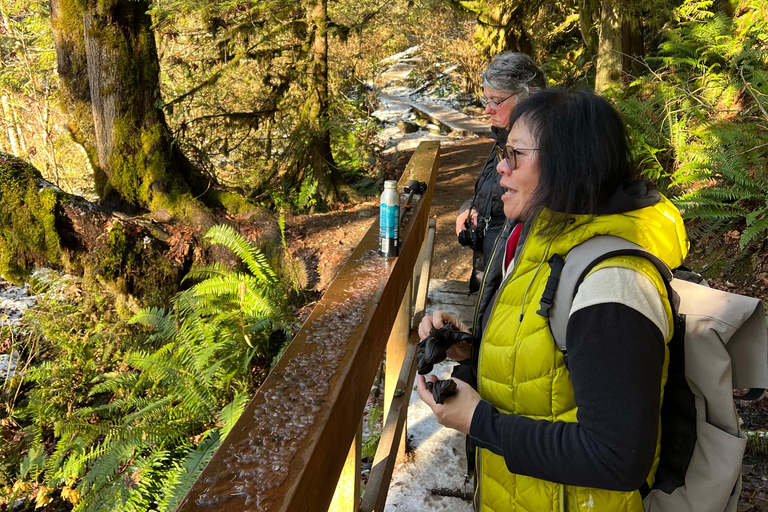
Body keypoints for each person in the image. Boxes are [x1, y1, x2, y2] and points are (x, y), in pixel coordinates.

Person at [417, 87, 689, 511]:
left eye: (516, 155)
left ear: (568, 164)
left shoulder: (612, 285)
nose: (500, 168)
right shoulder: (543, 241)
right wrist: (469, 346)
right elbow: (557, 370)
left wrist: (480, 422)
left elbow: (617, 458)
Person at [457, 52, 547, 295]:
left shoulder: (541, 152)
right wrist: (469, 209)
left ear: (530, 95)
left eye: (496, 101)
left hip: (515, 282)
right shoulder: (501, 140)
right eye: (485, 100)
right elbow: (494, 193)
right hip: (491, 271)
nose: (487, 110)